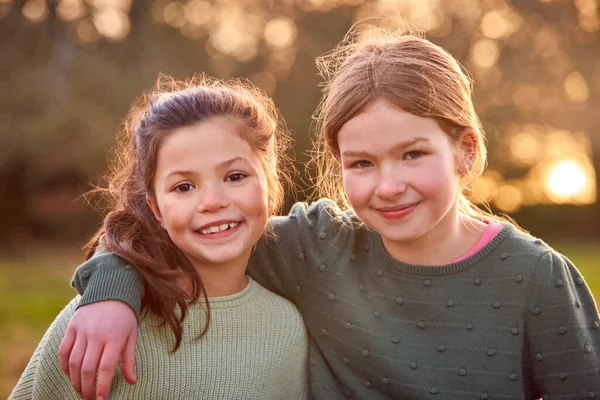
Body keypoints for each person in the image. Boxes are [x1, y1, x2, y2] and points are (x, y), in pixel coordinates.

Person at [59, 28, 599, 400]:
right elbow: (186, 233)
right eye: (361, 163)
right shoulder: (316, 248)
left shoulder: (537, 279)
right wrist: (110, 289)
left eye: (413, 154)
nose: (389, 186)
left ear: (467, 150)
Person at [9, 76, 310, 400]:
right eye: (183, 186)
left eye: (235, 176)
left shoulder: (286, 330)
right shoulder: (98, 320)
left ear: (270, 180)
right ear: (156, 209)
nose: (212, 201)